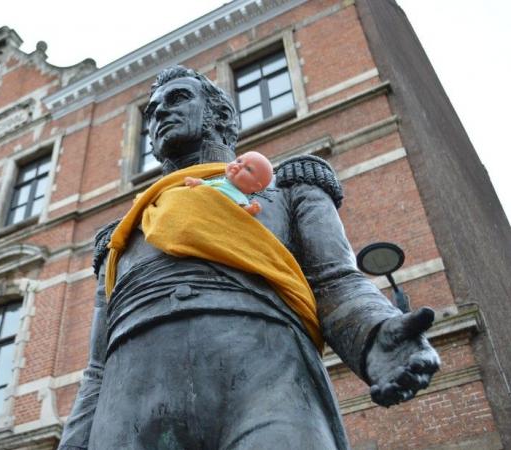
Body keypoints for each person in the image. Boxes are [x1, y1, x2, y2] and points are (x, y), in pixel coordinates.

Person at [58, 66, 440, 450]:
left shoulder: (291, 186)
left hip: (267, 387)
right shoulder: (120, 236)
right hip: (127, 413)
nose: (159, 113)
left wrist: (376, 334)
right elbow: (97, 368)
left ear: (221, 117)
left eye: (177, 99)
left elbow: (335, 280)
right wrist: (74, 443)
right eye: (152, 110)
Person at [184, 150, 273, 215]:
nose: (238, 165)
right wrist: (196, 181)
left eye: (248, 168)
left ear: (255, 187)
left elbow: (241, 210)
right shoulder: (220, 182)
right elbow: (206, 184)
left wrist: (251, 209)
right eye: (239, 161)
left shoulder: (239, 196)